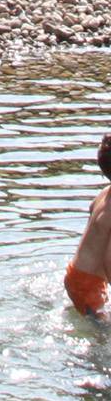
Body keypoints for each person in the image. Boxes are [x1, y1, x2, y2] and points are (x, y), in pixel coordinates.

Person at [65, 133, 111, 318]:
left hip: (77, 274)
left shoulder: (104, 194)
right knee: (101, 336)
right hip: (88, 285)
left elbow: (92, 212)